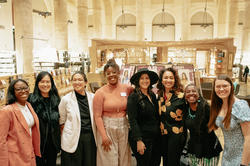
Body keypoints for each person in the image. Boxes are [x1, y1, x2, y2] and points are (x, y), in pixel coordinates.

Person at [93, 59, 133, 166]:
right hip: (107, 128)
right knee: (109, 159)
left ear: (119, 73)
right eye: (108, 73)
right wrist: (103, 136)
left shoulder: (127, 88)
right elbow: (97, 116)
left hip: (123, 126)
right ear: (105, 75)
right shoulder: (100, 92)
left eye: (114, 72)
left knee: (124, 157)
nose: (111, 75)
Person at [208, 75, 250, 166]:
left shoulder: (240, 106)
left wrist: (244, 164)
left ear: (231, 87)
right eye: (218, 86)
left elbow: (248, 137)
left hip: (242, 156)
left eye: (225, 86)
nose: (221, 89)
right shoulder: (218, 105)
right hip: (227, 155)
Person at [59, 71, 97, 166]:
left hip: (90, 137)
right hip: (73, 137)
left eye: (80, 80)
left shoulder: (93, 97)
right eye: (74, 80)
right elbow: (62, 120)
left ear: (85, 82)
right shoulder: (66, 99)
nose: (77, 82)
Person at [0, 79, 41, 166]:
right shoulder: (7, 111)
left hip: (29, 153)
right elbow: (1, 140)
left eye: (25, 88)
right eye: (18, 89)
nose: (23, 91)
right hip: (15, 157)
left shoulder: (28, 105)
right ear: (12, 92)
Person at [127, 68, 161, 166]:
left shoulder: (152, 95)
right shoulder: (133, 97)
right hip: (142, 139)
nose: (145, 80)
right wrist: (139, 140)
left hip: (154, 138)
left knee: (155, 163)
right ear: (138, 81)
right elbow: (132, 120)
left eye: (147, 78)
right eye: (142, 78)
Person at [184, 83, 222, 166]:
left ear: (198, 94)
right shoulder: (185, 109)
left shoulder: (206, 107)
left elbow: (216, 125)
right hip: (193, 148)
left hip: (209, 148)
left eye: (194, 91)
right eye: (188, 92)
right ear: (185, 95)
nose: (191, 93)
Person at [28, 71, 61, 166]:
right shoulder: (31, 100)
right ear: (37, 83)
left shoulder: (56, 100)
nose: (45, 84)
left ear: (51, 83)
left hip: (53, 143)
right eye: (42, 82)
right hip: (37, 143)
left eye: (48, 82)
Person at [156, 67, 186, 166]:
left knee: (173, 162)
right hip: (163, 135)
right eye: (165, 78)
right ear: (161, 80)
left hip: (176, 136)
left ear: (175, 80)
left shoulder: (181, 96)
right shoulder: (159, 95)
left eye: (171, 78)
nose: (168, 80)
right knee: (165, 161)